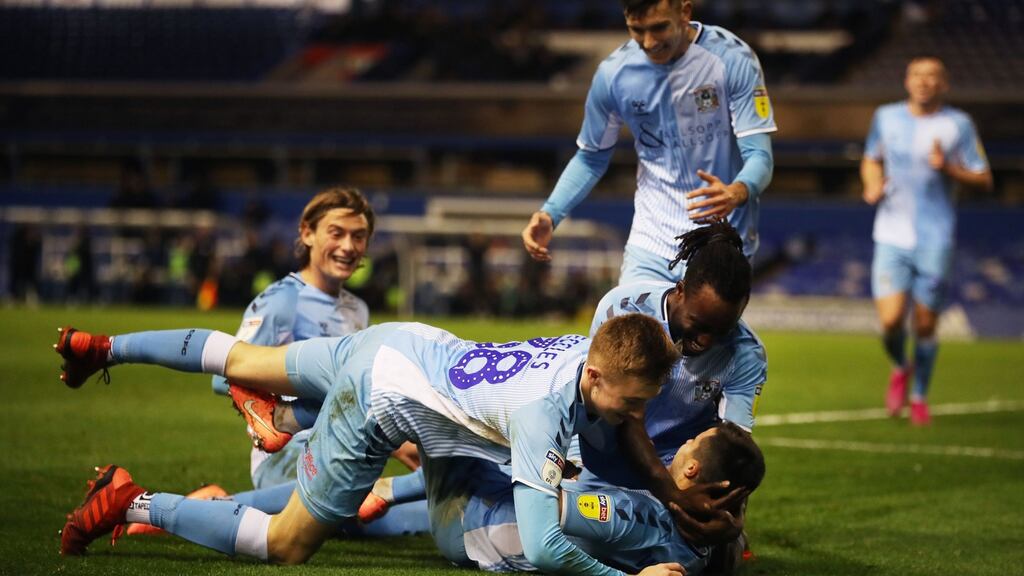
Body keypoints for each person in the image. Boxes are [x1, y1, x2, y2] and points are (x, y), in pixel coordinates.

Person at [54, 313, 688, 576]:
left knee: (244, 357)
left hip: (400, 340)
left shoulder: (591, 348)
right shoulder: (540, 416)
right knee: (289, 544)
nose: (638, 415)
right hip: (379, 399)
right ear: (597, 377)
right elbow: (547, 547)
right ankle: (132, 500)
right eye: (633, 402)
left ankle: (106, 349)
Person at [521, 0, 775, 283]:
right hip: (650, 244)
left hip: (722, 242)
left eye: (659, 27)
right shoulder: (614, 74)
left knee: (703, 328)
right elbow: (590, 157)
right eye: (637, 30)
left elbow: (760, 156)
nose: (649, 42)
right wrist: (550, 213)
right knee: (627, 327)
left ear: (685, 12)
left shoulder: (731, 58)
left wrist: (737, 191)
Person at [421, 421, 764, 576]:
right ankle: (391, 491)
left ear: (691, 469)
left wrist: (542, 452)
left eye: (693, 440)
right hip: (492, 511)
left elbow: (545, 505)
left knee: (441, 410)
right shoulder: (707, 544)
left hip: (475, 522)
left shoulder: (636, 517)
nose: (686, 440)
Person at [860, 56, 992, 425]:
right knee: (889, 322)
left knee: (925, 324)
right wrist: (871, 184)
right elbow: (871, 158)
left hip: (936, 237)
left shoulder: (958, 124)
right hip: (890, 233)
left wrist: (948, 168)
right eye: (917, 74)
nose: (924, 81)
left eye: (932, 76)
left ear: (944, 84)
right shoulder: (885, 117)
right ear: (907, 81)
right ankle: (901, 366)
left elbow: (984, 178)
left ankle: (919, 396)